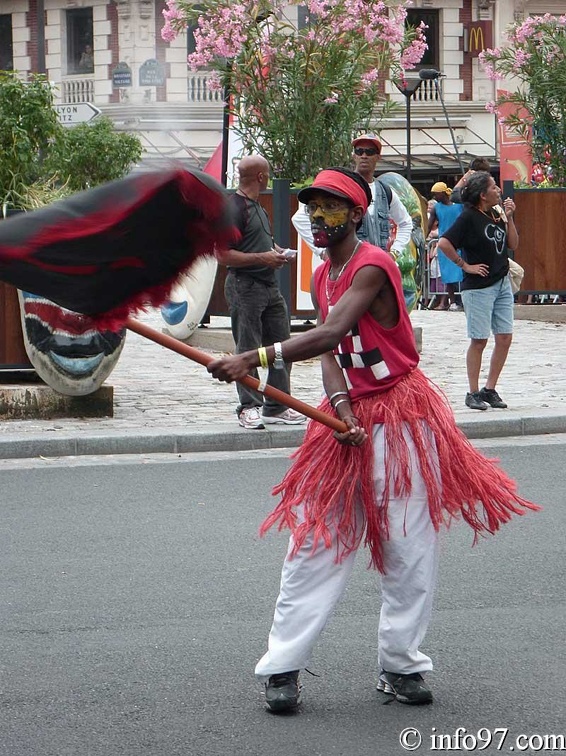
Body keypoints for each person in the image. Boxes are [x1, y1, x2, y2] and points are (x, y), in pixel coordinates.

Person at [208, 167, 538, 712]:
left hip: (403, 417)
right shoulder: (321, 275)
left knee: (410, 545)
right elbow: (331, 356)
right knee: (315, 541)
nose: (317, 218)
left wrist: (254, 357)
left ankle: (401, 665)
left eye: (329, 209)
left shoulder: (373, 264)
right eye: (312, 209)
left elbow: (332, 331)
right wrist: (339, 411)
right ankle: (283, 667)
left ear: (357, 215)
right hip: (347, 422)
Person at [216, 155, 305, 429]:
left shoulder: (256, 207)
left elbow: (255, 241)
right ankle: (249, 406)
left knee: (281, 347)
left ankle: (277, 406)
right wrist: (263, 259)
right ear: (261, 177)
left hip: (268, 286)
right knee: (247, 347)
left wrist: (276, 251)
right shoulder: (233, 208)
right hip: (245, 286)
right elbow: (223, 255)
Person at [436, 172, 518, 411]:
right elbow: (443, 243)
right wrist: (465, 266)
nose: (498, 190)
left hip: (501, 281)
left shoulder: (496, 213)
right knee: (479, 339)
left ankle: (490, 389)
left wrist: (510, 218)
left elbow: (513, 244)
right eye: (494, 187)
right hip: (478, 288)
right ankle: (472, 392)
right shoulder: (468, 217)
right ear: (483, 195)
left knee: (504, 337)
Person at [291, 134, 412, 260]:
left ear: (378, 157)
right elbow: (299, 218)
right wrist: (322, 253)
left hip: (378, 267)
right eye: (359, 151)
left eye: (370, 152)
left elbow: (406, 223)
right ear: (354, 156)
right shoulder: (341, 186)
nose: (364, 156)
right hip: (347, 265)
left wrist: (394, 253)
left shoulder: (386, 191)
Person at [427, 182, 463, 311]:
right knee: (447, 274)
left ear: (443, 193)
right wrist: (425, 239)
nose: (435, 197)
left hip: (459, 243)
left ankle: (462, 300)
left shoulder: (460, 207)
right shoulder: (436, 208)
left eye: (436, 194)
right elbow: (430, 223)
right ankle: (452, 301)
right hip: (444, 244)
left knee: (461, 272)